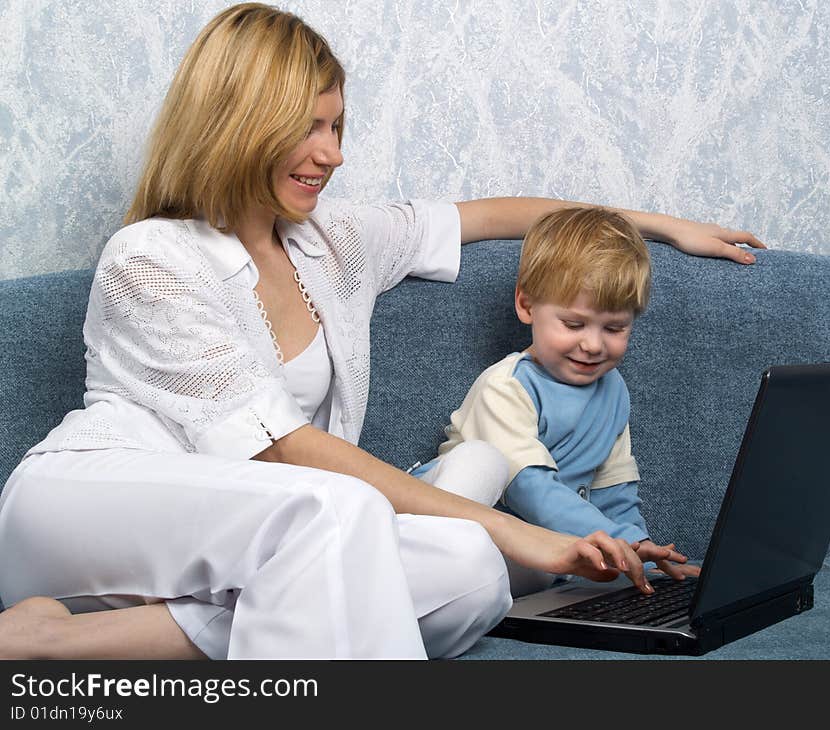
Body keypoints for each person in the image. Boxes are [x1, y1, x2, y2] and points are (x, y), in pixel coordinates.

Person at [0, 3, 763, 660]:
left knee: (468, 570)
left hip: (260, 540)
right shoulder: (150, 257)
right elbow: (286, 452)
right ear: (237, 123)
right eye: (308, 127)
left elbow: (491, 215)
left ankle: (60, 645)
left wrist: (665, 226)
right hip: (93, 506)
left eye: (337, 126)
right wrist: (530, 538)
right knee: (343, 509)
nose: (333, 153)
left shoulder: (332, 244)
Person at [410, 207, 702, 594]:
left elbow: (614, 492)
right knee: (479, 463)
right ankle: (407, 563)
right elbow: (530, 489)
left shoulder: (614, 392)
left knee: (559, 572)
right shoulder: (506, 386)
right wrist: (612, 538)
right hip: (450, 514)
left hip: (522, 547)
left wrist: (637, 551)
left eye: (615, 328)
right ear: (527, 305)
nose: (593, 345)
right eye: (574, 324)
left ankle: (456, 589)